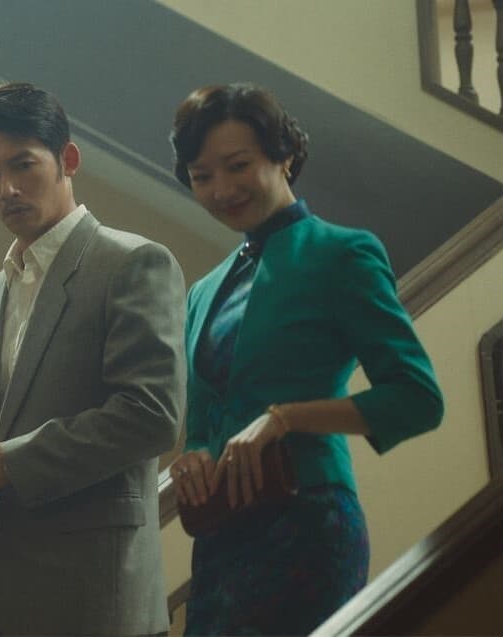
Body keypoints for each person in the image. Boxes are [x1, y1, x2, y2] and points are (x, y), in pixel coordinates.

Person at [0, 81, 187, 636]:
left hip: (97, 600)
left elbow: (152, 416)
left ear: (67, 159)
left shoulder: (133, 263)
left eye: (22, 165)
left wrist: (7, 462)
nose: (6, 189)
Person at [166, 83, 444, 635]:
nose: (222, 189)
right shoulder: (203, 291)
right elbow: (201, 425)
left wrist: (285, 418)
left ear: (284, 156)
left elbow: (418, 398)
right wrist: (192, 457)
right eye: (202, 176)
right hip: (221, 538)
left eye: (238, 166)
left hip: (309, 523)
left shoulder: (343, 253)